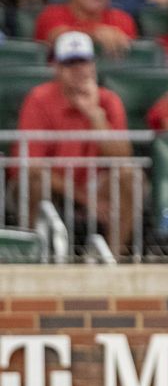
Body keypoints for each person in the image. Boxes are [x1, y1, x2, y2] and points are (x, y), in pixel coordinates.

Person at [14, 31, 134, 253]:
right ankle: (31, 256)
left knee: (130, 177)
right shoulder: (39, 99)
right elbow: (34, 166)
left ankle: (113, 260)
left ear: (93, 65)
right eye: (70, 64)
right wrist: (87, 199)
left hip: (97, 182)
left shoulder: (108, 100)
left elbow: (123, 158)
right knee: (34, 181)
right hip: (55, 184)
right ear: (57, 68)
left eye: (83, 62)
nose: (79, 70)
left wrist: (95, 115)